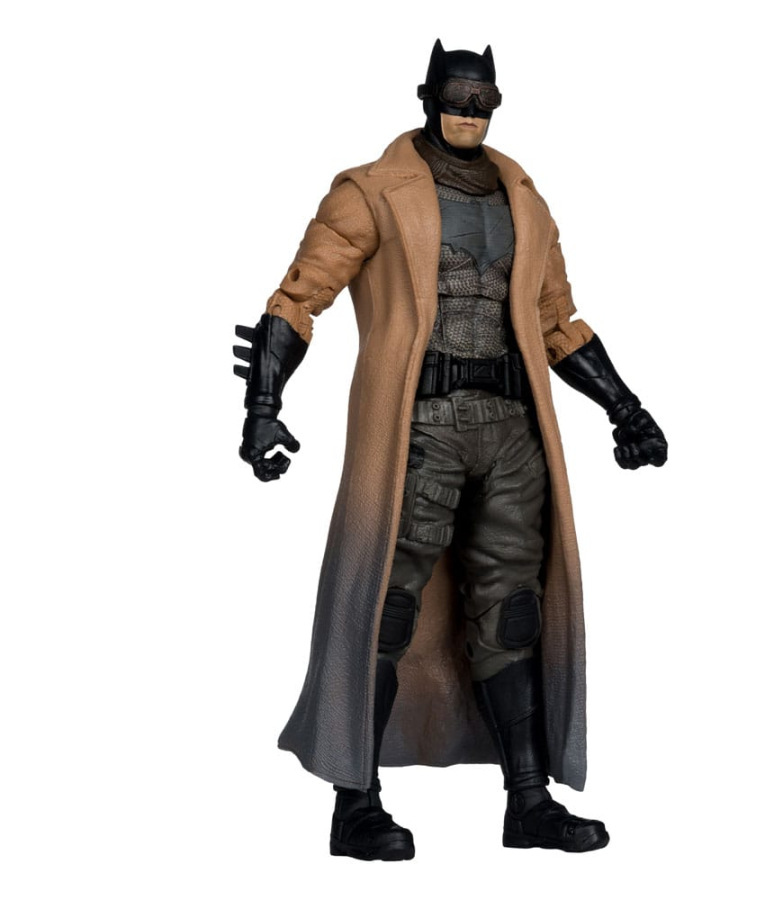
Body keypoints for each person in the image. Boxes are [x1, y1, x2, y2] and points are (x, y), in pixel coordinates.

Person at [233, 40, 667, 861]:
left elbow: (557, 321)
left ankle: (528, 801)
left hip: (510, 431)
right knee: (385, 606)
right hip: (420, 429)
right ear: (427, 95)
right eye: (456, 98)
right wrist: (263, 404)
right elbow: (299, 296)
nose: (469, 114)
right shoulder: (371, 191)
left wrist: (625, 408)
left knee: (512, 609)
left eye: (483, 101)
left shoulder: (524, 199)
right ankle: (356, 804)